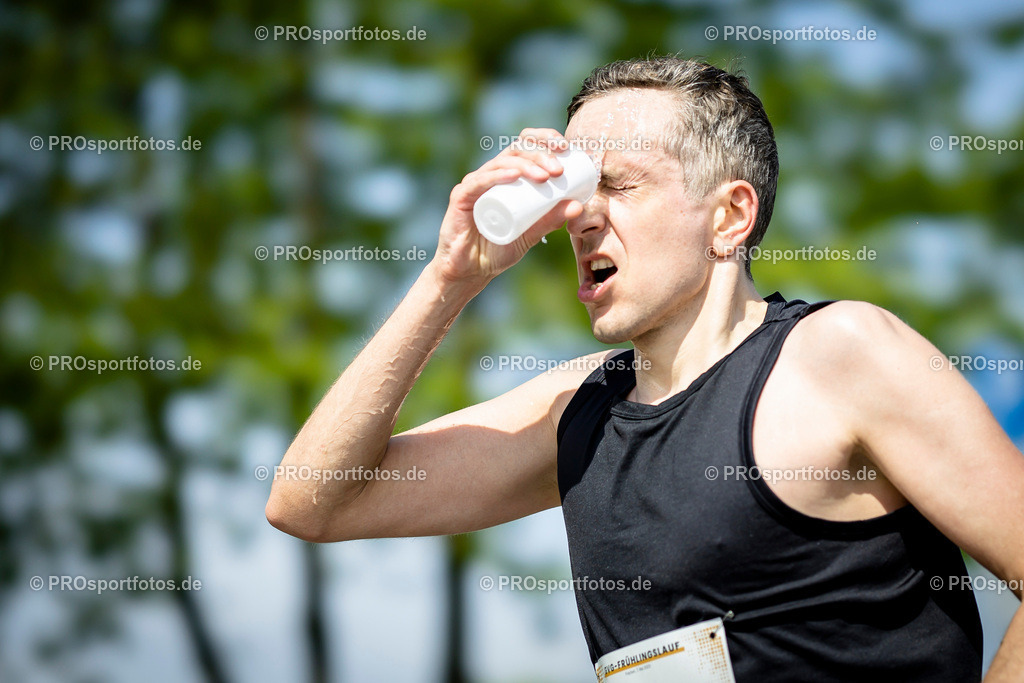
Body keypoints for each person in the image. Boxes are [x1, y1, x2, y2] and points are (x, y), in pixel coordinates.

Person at [265, 56, 1023, 681]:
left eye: (619, 184)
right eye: (572, 193)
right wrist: (448, 279)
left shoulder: (840, 354)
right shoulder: (578, 409)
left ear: (729, 215)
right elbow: (313, 502)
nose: (582, 216)